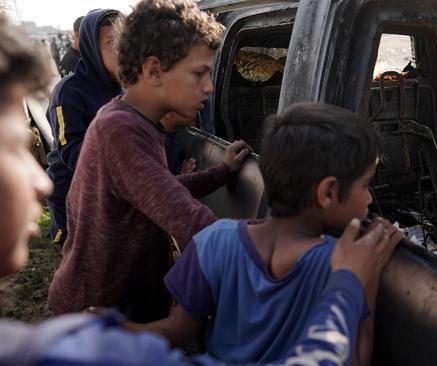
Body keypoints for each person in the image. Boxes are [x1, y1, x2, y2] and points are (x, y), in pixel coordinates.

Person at [129, 102, 401, 365]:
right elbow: (355, 359)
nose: (368, 199)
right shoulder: (341, 264)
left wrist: (120, 329)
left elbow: (174, 332)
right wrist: (365, 280)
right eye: (365, 185)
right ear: (328, 193)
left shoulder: (213, 241)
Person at [46, 0, 252, 323]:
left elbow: (158, 189)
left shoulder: (132, 121)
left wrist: (222, 172)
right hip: (100, 314)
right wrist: (277, 244)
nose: (209, 87)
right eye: (199, 74)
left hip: (119, 305)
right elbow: (188, 220)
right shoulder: (120, 131)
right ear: (154, 71)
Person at [44, 9, 122, 246]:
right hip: (75, 196)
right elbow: (72, 152)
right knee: (80, 259)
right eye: (111, 42)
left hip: (113, 194)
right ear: (90, 48)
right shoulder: (69, 92)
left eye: (125, 40)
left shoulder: (129, 85)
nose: (122, 50)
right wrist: (125, 164)